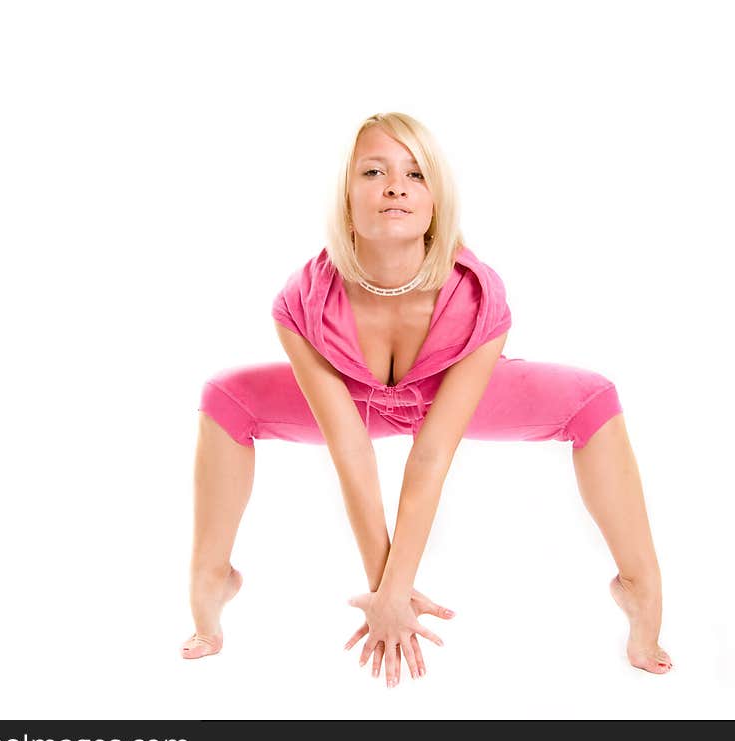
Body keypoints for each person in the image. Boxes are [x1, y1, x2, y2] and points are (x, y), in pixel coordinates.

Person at [182, 111, 673, 685]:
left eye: (415, 174)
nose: (395, 185)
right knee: (225, 396)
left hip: (448, 401)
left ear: (435, 200)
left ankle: (639, 588)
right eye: (374, 171)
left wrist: (398, 586)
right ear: (346, 197)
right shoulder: (303, 301)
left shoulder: (476, 295)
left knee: (594, 398)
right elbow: (351, 451)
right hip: (351, 401)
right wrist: (385, 593)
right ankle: (211, 579)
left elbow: (432, 454)